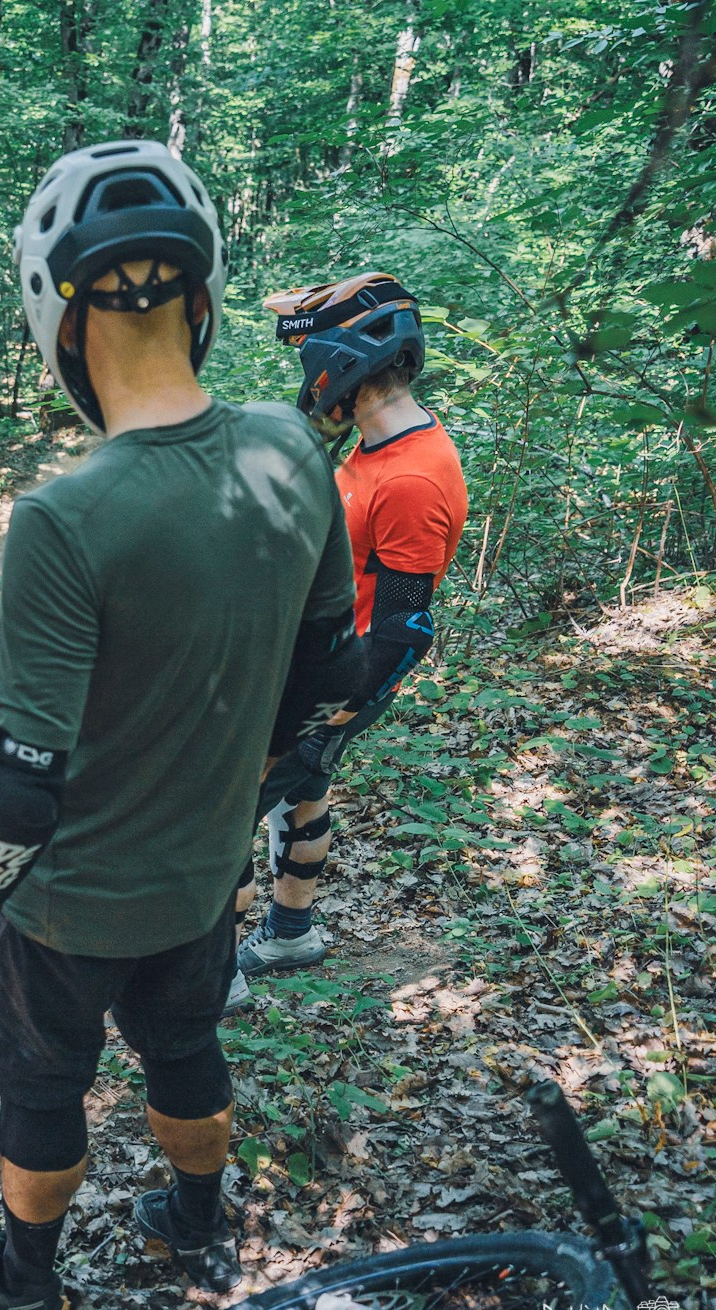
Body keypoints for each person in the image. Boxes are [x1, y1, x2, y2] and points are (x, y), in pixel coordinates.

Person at [0, 142, 365, 1310]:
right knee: (184, 1050)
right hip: (202, 886)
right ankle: (193, 1225)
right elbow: (328, 681)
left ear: (53, 315)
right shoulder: (291, 451)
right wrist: (248, 797)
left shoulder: (65, 516)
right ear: (201, 295)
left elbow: (18, 785)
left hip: (65, 912)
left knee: (42, 1088)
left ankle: (22, 1278)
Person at [226, 273, 468, 1008]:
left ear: (344, 359)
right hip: (311, 663)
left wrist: (334, 715)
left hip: (334, 676)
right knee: (302, 792)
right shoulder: (372, 448)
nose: (305, 380)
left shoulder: (415, 476)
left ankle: (213, 975)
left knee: (228, 807)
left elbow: (405, 628)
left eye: (307, 360)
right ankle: (292, 931)